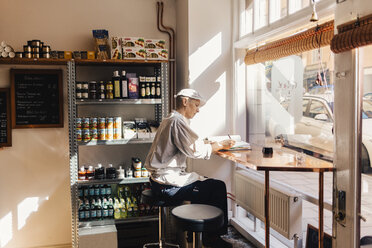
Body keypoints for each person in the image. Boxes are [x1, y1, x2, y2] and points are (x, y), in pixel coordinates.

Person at [145, 88, 235, 248]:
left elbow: (187, 145)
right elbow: (194, 150)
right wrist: (217, 146)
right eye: (196, 105)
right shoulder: (176, 121)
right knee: (217, 187)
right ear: (185, 101)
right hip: (166, 185)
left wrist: (209, 144)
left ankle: (199, 236)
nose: (198, 110)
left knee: (205, 185)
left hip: (159, 180)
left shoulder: (171, 119)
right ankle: (211, 239)